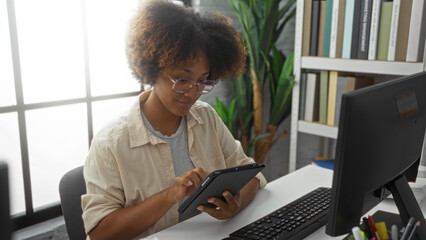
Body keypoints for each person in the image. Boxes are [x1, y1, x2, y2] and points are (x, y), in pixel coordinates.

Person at [81, 0, 267, 239]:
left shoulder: (206, 118)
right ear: (152, 68)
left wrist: (236, 203)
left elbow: (250, 174)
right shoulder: (111, 143)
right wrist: (171, 195)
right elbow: (99, 233)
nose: (193, 92)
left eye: (203, 81)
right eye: (182, 79)